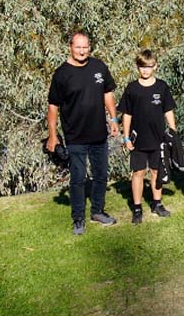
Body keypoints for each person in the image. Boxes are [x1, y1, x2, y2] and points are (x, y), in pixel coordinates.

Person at [46, 32, 119, 235]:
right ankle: (78, 219)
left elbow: (108, 94)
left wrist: (113, 120)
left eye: (85, 47)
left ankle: (98, 211)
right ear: (70, 47)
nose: (81, 51)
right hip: (75, 136)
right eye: (78, 47)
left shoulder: (99, 67)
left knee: (101, 175)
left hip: (98, 134)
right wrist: (53, 135)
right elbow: (53, 107)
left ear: (90, 47)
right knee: (78, 179)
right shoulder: (62, 74)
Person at [118, 49, 176, 224]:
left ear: (155, 66)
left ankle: (157, 204)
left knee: (156, 171)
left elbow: (168, 110)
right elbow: (126, 115)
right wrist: (126, 138)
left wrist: (173, 131)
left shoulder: (162, 87)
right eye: (142, 67)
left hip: (158, 139)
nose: (145, 70)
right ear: (137, 67)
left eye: (149, 67)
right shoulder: (132, 88)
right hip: (138, 141)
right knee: (138, 172)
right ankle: (137, 208)